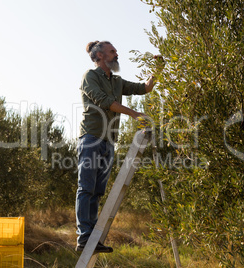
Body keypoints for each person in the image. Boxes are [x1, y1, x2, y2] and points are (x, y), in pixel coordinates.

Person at [75, 40, 162, 253]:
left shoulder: (117, 81)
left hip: (109, 141)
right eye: (112, 51)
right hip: (91, 138)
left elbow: (145, 88)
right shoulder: (90, 76)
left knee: (97, 191)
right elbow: (103, 101)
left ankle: (93, 239)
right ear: (100, 56)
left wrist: (158, 70)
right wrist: (134, 114)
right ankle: (84, 238)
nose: (116, 54)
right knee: (86, 188)